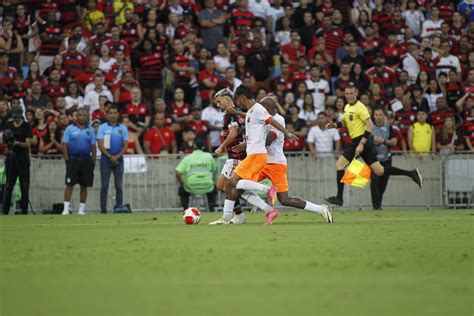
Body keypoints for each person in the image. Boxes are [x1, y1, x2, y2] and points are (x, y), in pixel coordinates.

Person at [209, 84, 297, 225]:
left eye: (238, 100)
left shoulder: (258, 109)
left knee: (232, 184)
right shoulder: (250, 111)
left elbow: (271, 120)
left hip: (257, 154)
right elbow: (249, 118)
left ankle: (267, 191)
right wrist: (238, 114)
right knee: (234, 185)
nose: (238, 103)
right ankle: (268, 209)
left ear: (242, 98)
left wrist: (287, 133)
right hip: (252, 154)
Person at [325, 85, 423, 206]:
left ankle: (339, 198)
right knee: (380, 170)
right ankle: (411, 173)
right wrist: (334, 125)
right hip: (361, 142)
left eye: (351, 93)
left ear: (355, 94)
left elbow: (370, 126)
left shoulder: (361, 107)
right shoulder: (347, 107)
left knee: (339, 165)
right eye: (347, 94)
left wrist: (361, 144)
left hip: (360, 141)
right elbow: (345, 122)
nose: (349, 96)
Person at [252, 97, 333, 223]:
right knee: (242, 183)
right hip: (264, 162)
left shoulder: (278, 120)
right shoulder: (264, 119)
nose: (260, 109)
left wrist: (252, 143)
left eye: (262, 106)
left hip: (276, 164)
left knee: (285, 200)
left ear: (268, 107)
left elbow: (269, 139)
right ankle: (241, 214)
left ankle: (320, 209)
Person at [213, 88, 246, 221]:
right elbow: (238, 134)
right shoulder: (239, 113)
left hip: (236, 157)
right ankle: (240, 215)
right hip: (236, 155)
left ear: (227, 100)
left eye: (219, 101)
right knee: (226, 187)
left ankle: (235, 216)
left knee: (226, 187)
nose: (217, 105)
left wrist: (222, 146)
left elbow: (233, 133)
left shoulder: (230, 115)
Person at [61, 108, 97, 215]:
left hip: (86, 160)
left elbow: (93, 147)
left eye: (84, 115)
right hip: (73, 160)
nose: (82, 117)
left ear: (87, 117)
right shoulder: (69, 129)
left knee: (84, 185)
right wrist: (67, 159)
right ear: (76, 117)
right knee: (69, 184)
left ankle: (81, 210)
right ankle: (66, 209)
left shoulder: (90, 130)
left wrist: (93, 161)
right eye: (80, 115)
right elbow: (65, 145)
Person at [97, 105, 128, 213]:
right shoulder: (102, 127)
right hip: (106, 159)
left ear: (118, 114)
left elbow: (125, 145)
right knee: (104, 185)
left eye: (115, 113)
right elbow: (100, 144)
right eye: (110, 113)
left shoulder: (123, 128)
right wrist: (110, 156)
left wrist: (117, 156)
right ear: (106, 115)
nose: (113, 115)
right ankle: (103, 210)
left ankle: (119, 207)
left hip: (119, 159)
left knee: (119, 186)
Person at [1, 107, 32, 215]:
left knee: (24, 185)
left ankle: (24, 212)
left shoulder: (26, 126)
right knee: (9, 185)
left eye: (17, 116)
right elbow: (3, 141)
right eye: (14, 116)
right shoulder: (8, 125)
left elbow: (28, 144)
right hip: (11, 157)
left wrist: (16, 143)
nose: (16, 118)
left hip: (22, 157)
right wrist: (7, 141)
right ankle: (5, 211)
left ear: (20, 115)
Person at [370, 107, 400, 210]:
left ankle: (378, 206)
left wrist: (383, 141)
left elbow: (394, 142)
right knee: (374, 183)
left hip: (386, 160)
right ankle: (376, 206)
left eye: (380, 115)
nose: (378, 117)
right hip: (373, 160)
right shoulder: (369, 128)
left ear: (384, 116)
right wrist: (373, 141)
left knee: (382, 185)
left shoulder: (389, 128)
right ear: (373, 116)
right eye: (376, 115)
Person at [175, 138, 217, 212]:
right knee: (214, 188)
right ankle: (211, 208)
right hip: (207, 185)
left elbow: (178, 173)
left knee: (181, 189)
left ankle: (185, 208)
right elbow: (214, 169)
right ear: (203, 147)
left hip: (191, 186)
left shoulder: (187, 158)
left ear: (193, 147)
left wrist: (182, 183)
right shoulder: (209, 156)